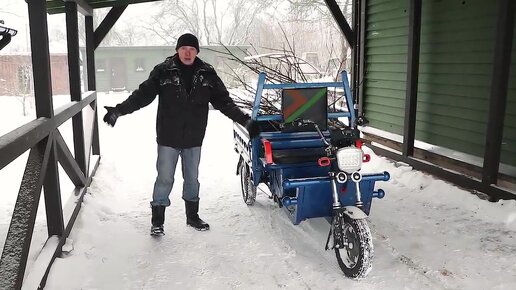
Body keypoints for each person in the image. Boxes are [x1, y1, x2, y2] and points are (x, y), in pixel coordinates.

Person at [103, 33, 259, 235]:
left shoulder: (207, 74)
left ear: (197, 52)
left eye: (192, 49)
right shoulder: (163, 71)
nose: (188, 52)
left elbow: (224, 102)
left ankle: (192, 217)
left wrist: (244, 120)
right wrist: (119, 110)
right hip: (168, 137)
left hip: (194, 137)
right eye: (184, 48)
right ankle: (157, 221)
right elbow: (142, 95)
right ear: (177, 50)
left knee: (192, 179)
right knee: (165, 179)